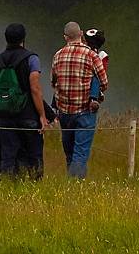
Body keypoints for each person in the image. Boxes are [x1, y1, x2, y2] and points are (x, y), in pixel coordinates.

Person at [0, 22, 52, 178]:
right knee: (33, 155)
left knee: (8, 155)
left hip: (4, 116)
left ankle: (7, 185)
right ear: (23, 38)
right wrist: (43, 116)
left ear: (6, 39)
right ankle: (33, 188)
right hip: (28, 115)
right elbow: (35, 88)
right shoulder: (32, 59)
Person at [51, 21, 109, 178]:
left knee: (69, 152)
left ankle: (70, 181)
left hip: (64, 112)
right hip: (85, 111)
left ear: (65, 37)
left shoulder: (58, 55)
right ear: (81, 33)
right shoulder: (91, 55)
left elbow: (53, 83)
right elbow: (103, 82)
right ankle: (75, 185)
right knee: (80, 153)